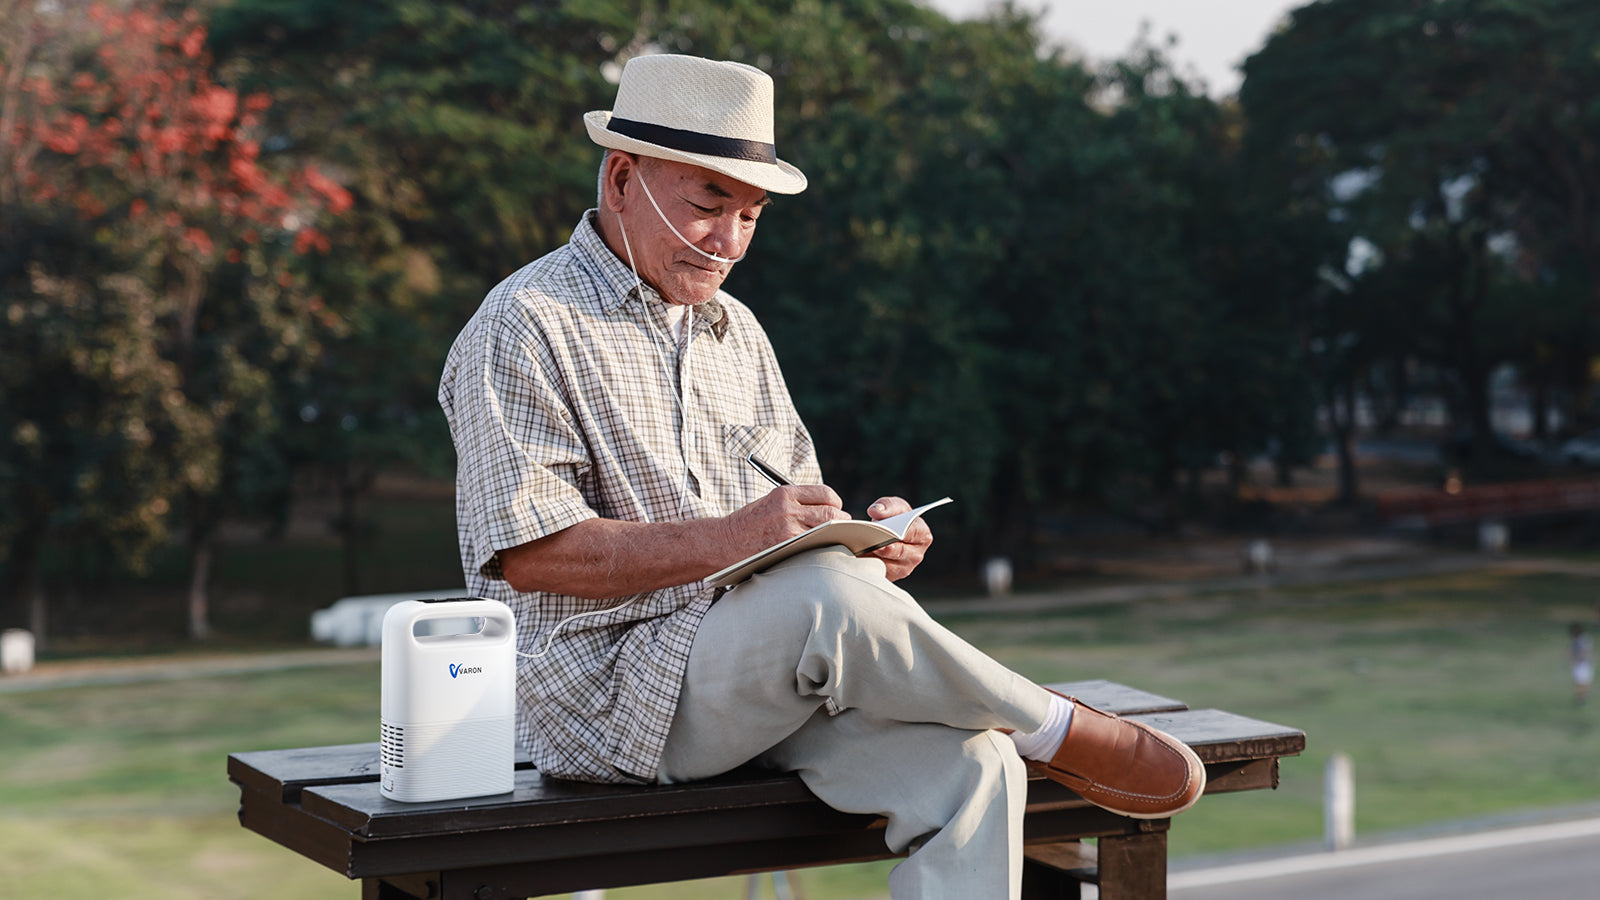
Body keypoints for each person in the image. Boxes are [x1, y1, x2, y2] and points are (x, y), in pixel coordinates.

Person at [438, 53, 1204, 899]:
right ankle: (1052, 722)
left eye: (751, 215)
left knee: (975, 766)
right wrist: (754, 543)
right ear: (622, 179)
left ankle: (1012, 729)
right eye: (706, 204)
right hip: (610, 705)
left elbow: (792, 534)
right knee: (831, 605)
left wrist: (870, 545)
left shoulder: (737, 330)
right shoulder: (522, 324)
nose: (728, 241)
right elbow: (531, 556)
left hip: (763, 683)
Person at [1571, 622, 1593, 706]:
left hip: (1583, 663)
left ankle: (1581, 698)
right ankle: (1581, 698)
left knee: (1583, 682)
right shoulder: (1577, 639)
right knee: (1580, 682)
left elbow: (1586, 651)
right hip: (1580, 663)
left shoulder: (1584, 639)